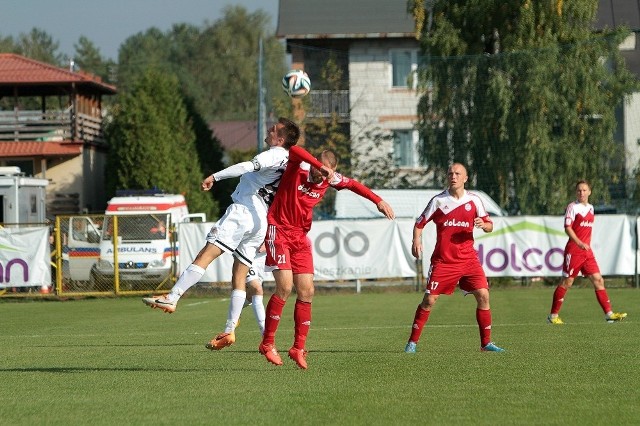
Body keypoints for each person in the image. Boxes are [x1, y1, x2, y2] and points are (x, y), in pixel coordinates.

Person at [142, 117, 300, 351]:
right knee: (240, 274)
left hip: (243, 211)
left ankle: (172, 297)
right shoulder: (289, 162)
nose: (269, 130)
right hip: (260, 220)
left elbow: (247, 166)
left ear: (282, 139)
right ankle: (229, 329)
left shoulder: (274, 154)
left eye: (274, 130)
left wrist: (215, 176)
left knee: (206, 254)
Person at [258, 145, 395, 369]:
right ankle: (268, 343)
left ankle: (298, 348)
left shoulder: (330, 179)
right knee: (285, 286)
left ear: (332, 171)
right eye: (317, 167)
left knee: (307, 290)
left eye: (324, 171)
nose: (318, 172)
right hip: (279, 229)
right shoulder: (298, 167)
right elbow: (294, 148)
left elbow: (354, 185)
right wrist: (319, 165)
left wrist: (378, 200)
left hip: (300, 237)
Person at [404, 163, 505, 354]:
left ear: (466, 178)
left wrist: (483, 224)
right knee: (429, 301)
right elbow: (419, 223)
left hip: (468, 260)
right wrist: (416, 241)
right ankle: (412, 342)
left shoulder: (475, 200)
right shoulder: (439, 201)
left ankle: (486, 344)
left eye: (458, 173)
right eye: (450, 173)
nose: (453, 176)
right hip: (444, 261)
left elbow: (490, 225)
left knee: (483, 295)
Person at [547, 180, 627, 325]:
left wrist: (585, 245)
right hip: (574, 250)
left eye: (584, 190)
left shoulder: (591, 208)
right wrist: (579, 243)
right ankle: (553, 316)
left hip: (587, 252)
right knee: (567, 282)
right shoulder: (573, 207)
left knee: (598, 280)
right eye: (579, 190)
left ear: (589, 192)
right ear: (576, 193)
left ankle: (609, 314)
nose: (581, 193)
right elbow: (567, 227)